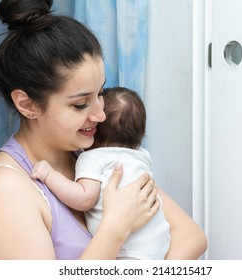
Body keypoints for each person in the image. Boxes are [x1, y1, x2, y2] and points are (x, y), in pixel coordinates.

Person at [0, 0, 207, 260]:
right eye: (81, 104)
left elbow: (191, 236)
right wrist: (116, 226)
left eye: (101, 93)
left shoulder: (94, 150)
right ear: (28, 105)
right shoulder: (5, 190)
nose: (101, 114)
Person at [31, 87, 171, 259]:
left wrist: (49, 175)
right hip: (160, 242)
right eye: (82, 104)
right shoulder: (142, 156)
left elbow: (84, 198)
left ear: (95, 131)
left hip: (129, 252)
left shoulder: (92, 158)